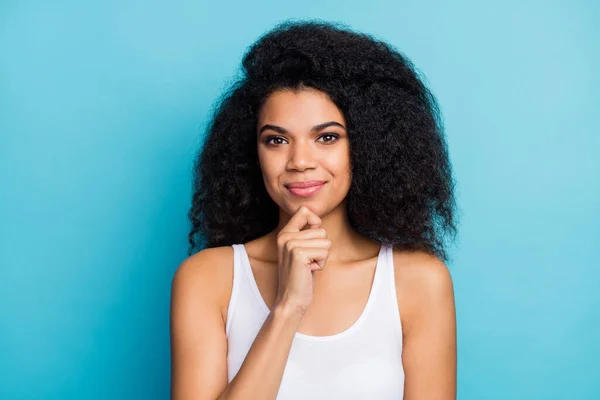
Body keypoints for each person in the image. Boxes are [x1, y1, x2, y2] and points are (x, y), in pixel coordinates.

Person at [170, 19, 458, 399]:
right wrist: (288, 308)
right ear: (252, 154)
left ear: (368, 146)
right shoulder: (208, 280)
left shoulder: (419, 281)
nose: (299, 161)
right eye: (276, 140)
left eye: (327, 137)